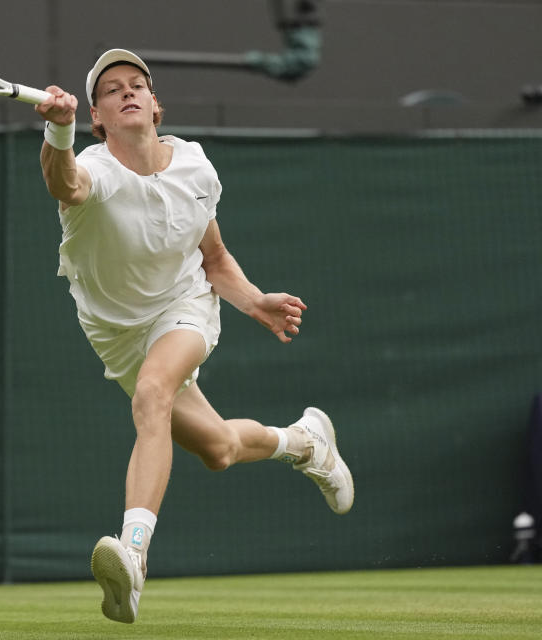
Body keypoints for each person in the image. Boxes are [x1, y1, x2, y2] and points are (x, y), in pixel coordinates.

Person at [35, 49, 354, 624]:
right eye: (111, 90)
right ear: (98, 117)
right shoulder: (94, 168)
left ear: (156, 105)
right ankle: (306, 442)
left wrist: (254, 301)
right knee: (218, 449)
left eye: (137, 85)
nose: (127, 92)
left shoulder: (196, 169)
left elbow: (213, 256)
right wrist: (60, 133)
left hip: (184, 309)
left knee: (153, 393)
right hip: (116, 335)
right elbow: (66, 186)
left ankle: (133, 556)